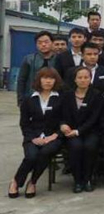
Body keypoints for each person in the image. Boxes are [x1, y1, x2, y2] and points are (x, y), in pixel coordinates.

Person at [8, 68, 63, 199]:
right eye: (45, 78)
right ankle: (16, 181)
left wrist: (55, 135)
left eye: (51, 78)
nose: (48, 81)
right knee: (31, 156)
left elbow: (65, 120)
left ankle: (32, 182)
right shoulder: (29, 99)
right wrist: (32, 138)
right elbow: (24, 123)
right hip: (32, 136)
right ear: (39, 80)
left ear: (55, 81)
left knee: (45, 152)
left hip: (53, 137)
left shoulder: (61, 99)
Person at [60, 66, 101, 193]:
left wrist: (78, 131)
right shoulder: (67, 95)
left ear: (90, 79)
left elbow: (94, 118)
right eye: (80, 77)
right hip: (71, 131)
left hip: (91, 131)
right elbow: (61, 115)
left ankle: (88, 179)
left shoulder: (96, 95)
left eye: (86, 77)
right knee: (75, 147)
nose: (83, 80)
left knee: (90, 147)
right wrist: (63, 125)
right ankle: (77, 180)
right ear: (75, 79)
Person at [17, 31, 56, 106]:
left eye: (46, 42)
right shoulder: (29, 59)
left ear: (52, 43)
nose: (43, 44)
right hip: (32, 96)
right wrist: (20, 100)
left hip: (54, 98)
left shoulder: (59, 59)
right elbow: (21, 80)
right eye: (39, 43)